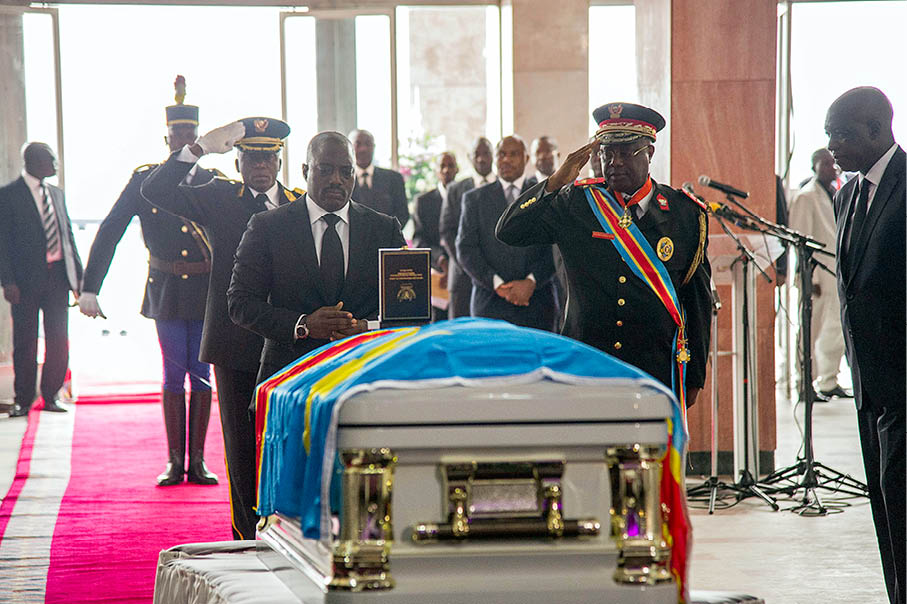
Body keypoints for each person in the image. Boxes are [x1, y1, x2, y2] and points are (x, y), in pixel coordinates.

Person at [141, 116, 303, 540]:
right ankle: (246, 537)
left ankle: (286, 532)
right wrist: (196, 150)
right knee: (241, 447)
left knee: (286, 441)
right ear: (238, 163)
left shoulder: (298, 204)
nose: (260, 166)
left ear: (280, 162)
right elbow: (154, 191)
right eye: (251, 157)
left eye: (268, 157)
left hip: (288, 343)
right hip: (233, 343)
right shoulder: (218, 198)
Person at [496, 103, 711, 407]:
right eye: (606, 153)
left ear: (649, 153)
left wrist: (694, 378)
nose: (614, 162)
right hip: (586, 366)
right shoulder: (576, 204)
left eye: (626, 153)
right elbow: (509, 231)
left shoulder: (684, 214)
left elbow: (696, 303)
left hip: (654, 369)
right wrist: (556, 181)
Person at [79, 77, 219, 486]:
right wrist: (91, 287)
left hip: (207, 291)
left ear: (199, 138)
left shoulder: (213, 181)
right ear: (167, 138)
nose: (185, 139)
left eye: (192, 133)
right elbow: (110, 229)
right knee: (175, 373)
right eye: (179, 133)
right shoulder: (146, 180)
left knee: (203, 373)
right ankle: (176, 461)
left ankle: (199, 461)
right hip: (168, 290)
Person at [228, 131, 406, 383]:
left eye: (346, 172)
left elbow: (407, 310)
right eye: (325, 170)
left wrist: (366, 327)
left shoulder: (384, 229)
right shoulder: (268, 227)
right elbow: (240, 303)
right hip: (288, 376)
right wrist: (303, 325)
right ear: (305, 171)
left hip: (365, 373)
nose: (337, 180)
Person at [825, 86, 904, 604]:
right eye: (828, 134)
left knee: (904, 500)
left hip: (906, 378)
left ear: (876, 129)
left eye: (842, 134)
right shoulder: (847, 194)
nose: (832, 145)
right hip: (868, 379)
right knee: (884, 503)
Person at [0, 143, 83, 418]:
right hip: (23, 282)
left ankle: (51, 395)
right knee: (25, 340)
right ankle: (23, 399)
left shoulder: (56, 194)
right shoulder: (8, 195)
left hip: (57, 277)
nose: (55, 164)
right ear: (33, 161)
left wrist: (79, 281)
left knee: (59, 338)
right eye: (51, 159)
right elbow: (2, 243)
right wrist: (7, 281)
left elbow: (67, 238)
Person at [457, 135, 556, 331]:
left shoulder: (546, 196)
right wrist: (497, 284)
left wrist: (531, 282)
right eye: (501, 154)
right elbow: (466, 248)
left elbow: (556, 247)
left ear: (527, 159)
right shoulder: (474, 199)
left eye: (514, 154)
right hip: (490, 304)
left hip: (537, 304)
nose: (506, 160)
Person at [787, 148, 849, 402]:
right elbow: (799, 239)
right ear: (814, 166)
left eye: (833, 164)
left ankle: (829, 380)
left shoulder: (837, 193)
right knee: (811, 330)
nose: (831, 168)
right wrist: (808, 279)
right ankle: (805, 383)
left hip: (835, 273)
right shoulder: (806, 197)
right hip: (816, 276)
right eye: (825, 164)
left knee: (835, 330)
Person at [439, 137, 495, 319]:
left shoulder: (504, 187)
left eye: (485, 153)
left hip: (498, 277)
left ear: (493, 155)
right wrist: (467, 262)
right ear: (469, 158)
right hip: (463, 276)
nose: (481, 159)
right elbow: (447, 230)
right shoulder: (455, 189)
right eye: (476, 154)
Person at [412, 151, 457, 322]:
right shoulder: (423, 201)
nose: (446, 170)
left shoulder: (467, 197)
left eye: (450, 166)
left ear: (457, 169)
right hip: (436, 275)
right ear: (436, 171)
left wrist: (454, 264)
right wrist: (441, 261)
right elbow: (419, 240)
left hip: (463, 273)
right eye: (442, 166)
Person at [349, 129, 409, 228]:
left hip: (386, 239)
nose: (363, 149)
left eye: (368, 144)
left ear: (374, 147)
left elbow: (402, 214)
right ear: (350, 148)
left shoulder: (394, 178)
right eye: (358, 144)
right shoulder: (342, 180)